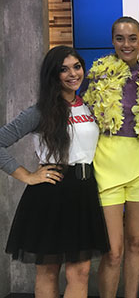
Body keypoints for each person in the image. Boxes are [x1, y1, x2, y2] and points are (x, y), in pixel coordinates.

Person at [0, 45, 109, 297]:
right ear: (53, 74)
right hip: (50, 193)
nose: (73, 74)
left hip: (84, 192)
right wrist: (27, 175)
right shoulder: (40, 111)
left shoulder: (91, 107)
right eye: (64, 69)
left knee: (80, 272)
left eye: (77, 66)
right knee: (49, 270)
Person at [82, 16, 139, 297]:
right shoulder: (97, 76)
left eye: (133, 38)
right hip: (107, 166)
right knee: (114, 250)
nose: (127, 44)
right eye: (120, 38)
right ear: (113, 42)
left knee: (135, 243)